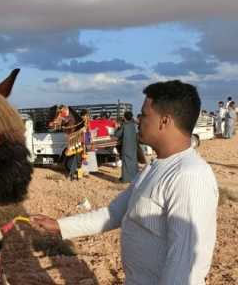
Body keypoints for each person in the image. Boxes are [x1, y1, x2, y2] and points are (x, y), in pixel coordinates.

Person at [30, 80, 218, 284]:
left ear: (165, 121)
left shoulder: (188, 176)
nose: (139, 120)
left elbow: (185, 266)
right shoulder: (154, 168)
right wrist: (59, 225)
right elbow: (114, 213)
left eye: (144, 114)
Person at [114, 111, 139, 183]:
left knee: (126, 163)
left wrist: (117, 128)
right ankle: (134, 178)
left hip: (126, 146)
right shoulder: (134, 125)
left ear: (124, 117)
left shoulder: (124, 125)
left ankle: (125, 179)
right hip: (133, 146)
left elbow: (117, 135)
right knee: (133, 162)